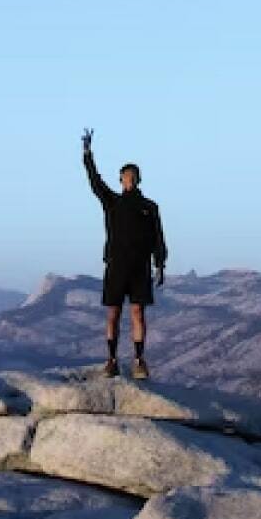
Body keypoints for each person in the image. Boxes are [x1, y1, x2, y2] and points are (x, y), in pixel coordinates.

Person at [82, 127, 167, 379]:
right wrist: (87, 154)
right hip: (117, 265)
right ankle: (111, 359)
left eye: (132, 176)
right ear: (120, 180)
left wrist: (160, 265)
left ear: (138, 179)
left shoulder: (150, 207)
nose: (128, 180)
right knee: (113, 313)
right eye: (124, 176)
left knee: (138, 312)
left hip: (140, 267)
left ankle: (139, 360)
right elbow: (94, 181)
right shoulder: (112, 202)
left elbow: (158, 238)